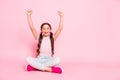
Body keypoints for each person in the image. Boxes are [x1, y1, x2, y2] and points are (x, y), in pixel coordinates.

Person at [25, 10, 64, 74]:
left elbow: (60, 28)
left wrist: (61, 17)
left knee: (58, 60)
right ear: (41, 30)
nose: (46, 30)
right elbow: (31, 27)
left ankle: (35, 67)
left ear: (50, 30)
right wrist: (28, 16)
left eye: (47, 28)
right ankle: (50, 69)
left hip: (49, 60)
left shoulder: (53, 37)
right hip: (39, 60)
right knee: (28, 59)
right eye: (44, 28)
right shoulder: (38, 37)